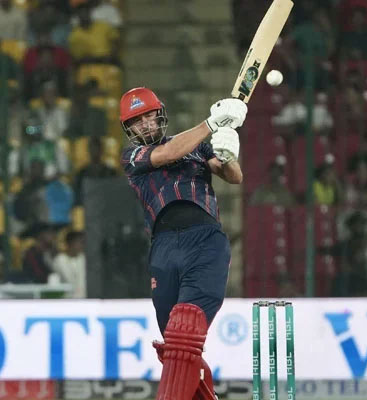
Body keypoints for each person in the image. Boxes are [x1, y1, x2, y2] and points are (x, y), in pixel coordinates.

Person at [119, 87, 246, 400]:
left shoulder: (198, 147)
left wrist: (228, 156)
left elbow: (233, 176)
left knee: (184, 332)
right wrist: (211, 123)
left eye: (149, 115)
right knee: (176, 350)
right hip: (163, 251)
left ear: (160, 114)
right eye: (137, 120)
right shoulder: (132, 157)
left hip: (204, 242)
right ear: (129, 129)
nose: (145, 124)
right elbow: (167, 154)